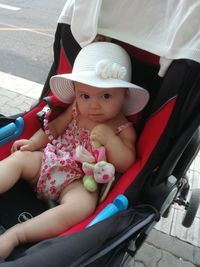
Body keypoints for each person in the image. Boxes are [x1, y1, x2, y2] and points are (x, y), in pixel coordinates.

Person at [0, 41, 149, 258]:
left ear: (124, 94)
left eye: (106, 96)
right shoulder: (76, 109)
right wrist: (33, 143)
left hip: (79, 180)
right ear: (77, 94)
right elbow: (55, 127)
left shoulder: (123, 128)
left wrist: (110, 140)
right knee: (19, 159)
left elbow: (127, 162)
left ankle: (16, 235)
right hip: (50, 160)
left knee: (83, 207)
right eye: (85, 96)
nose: (94, 105)